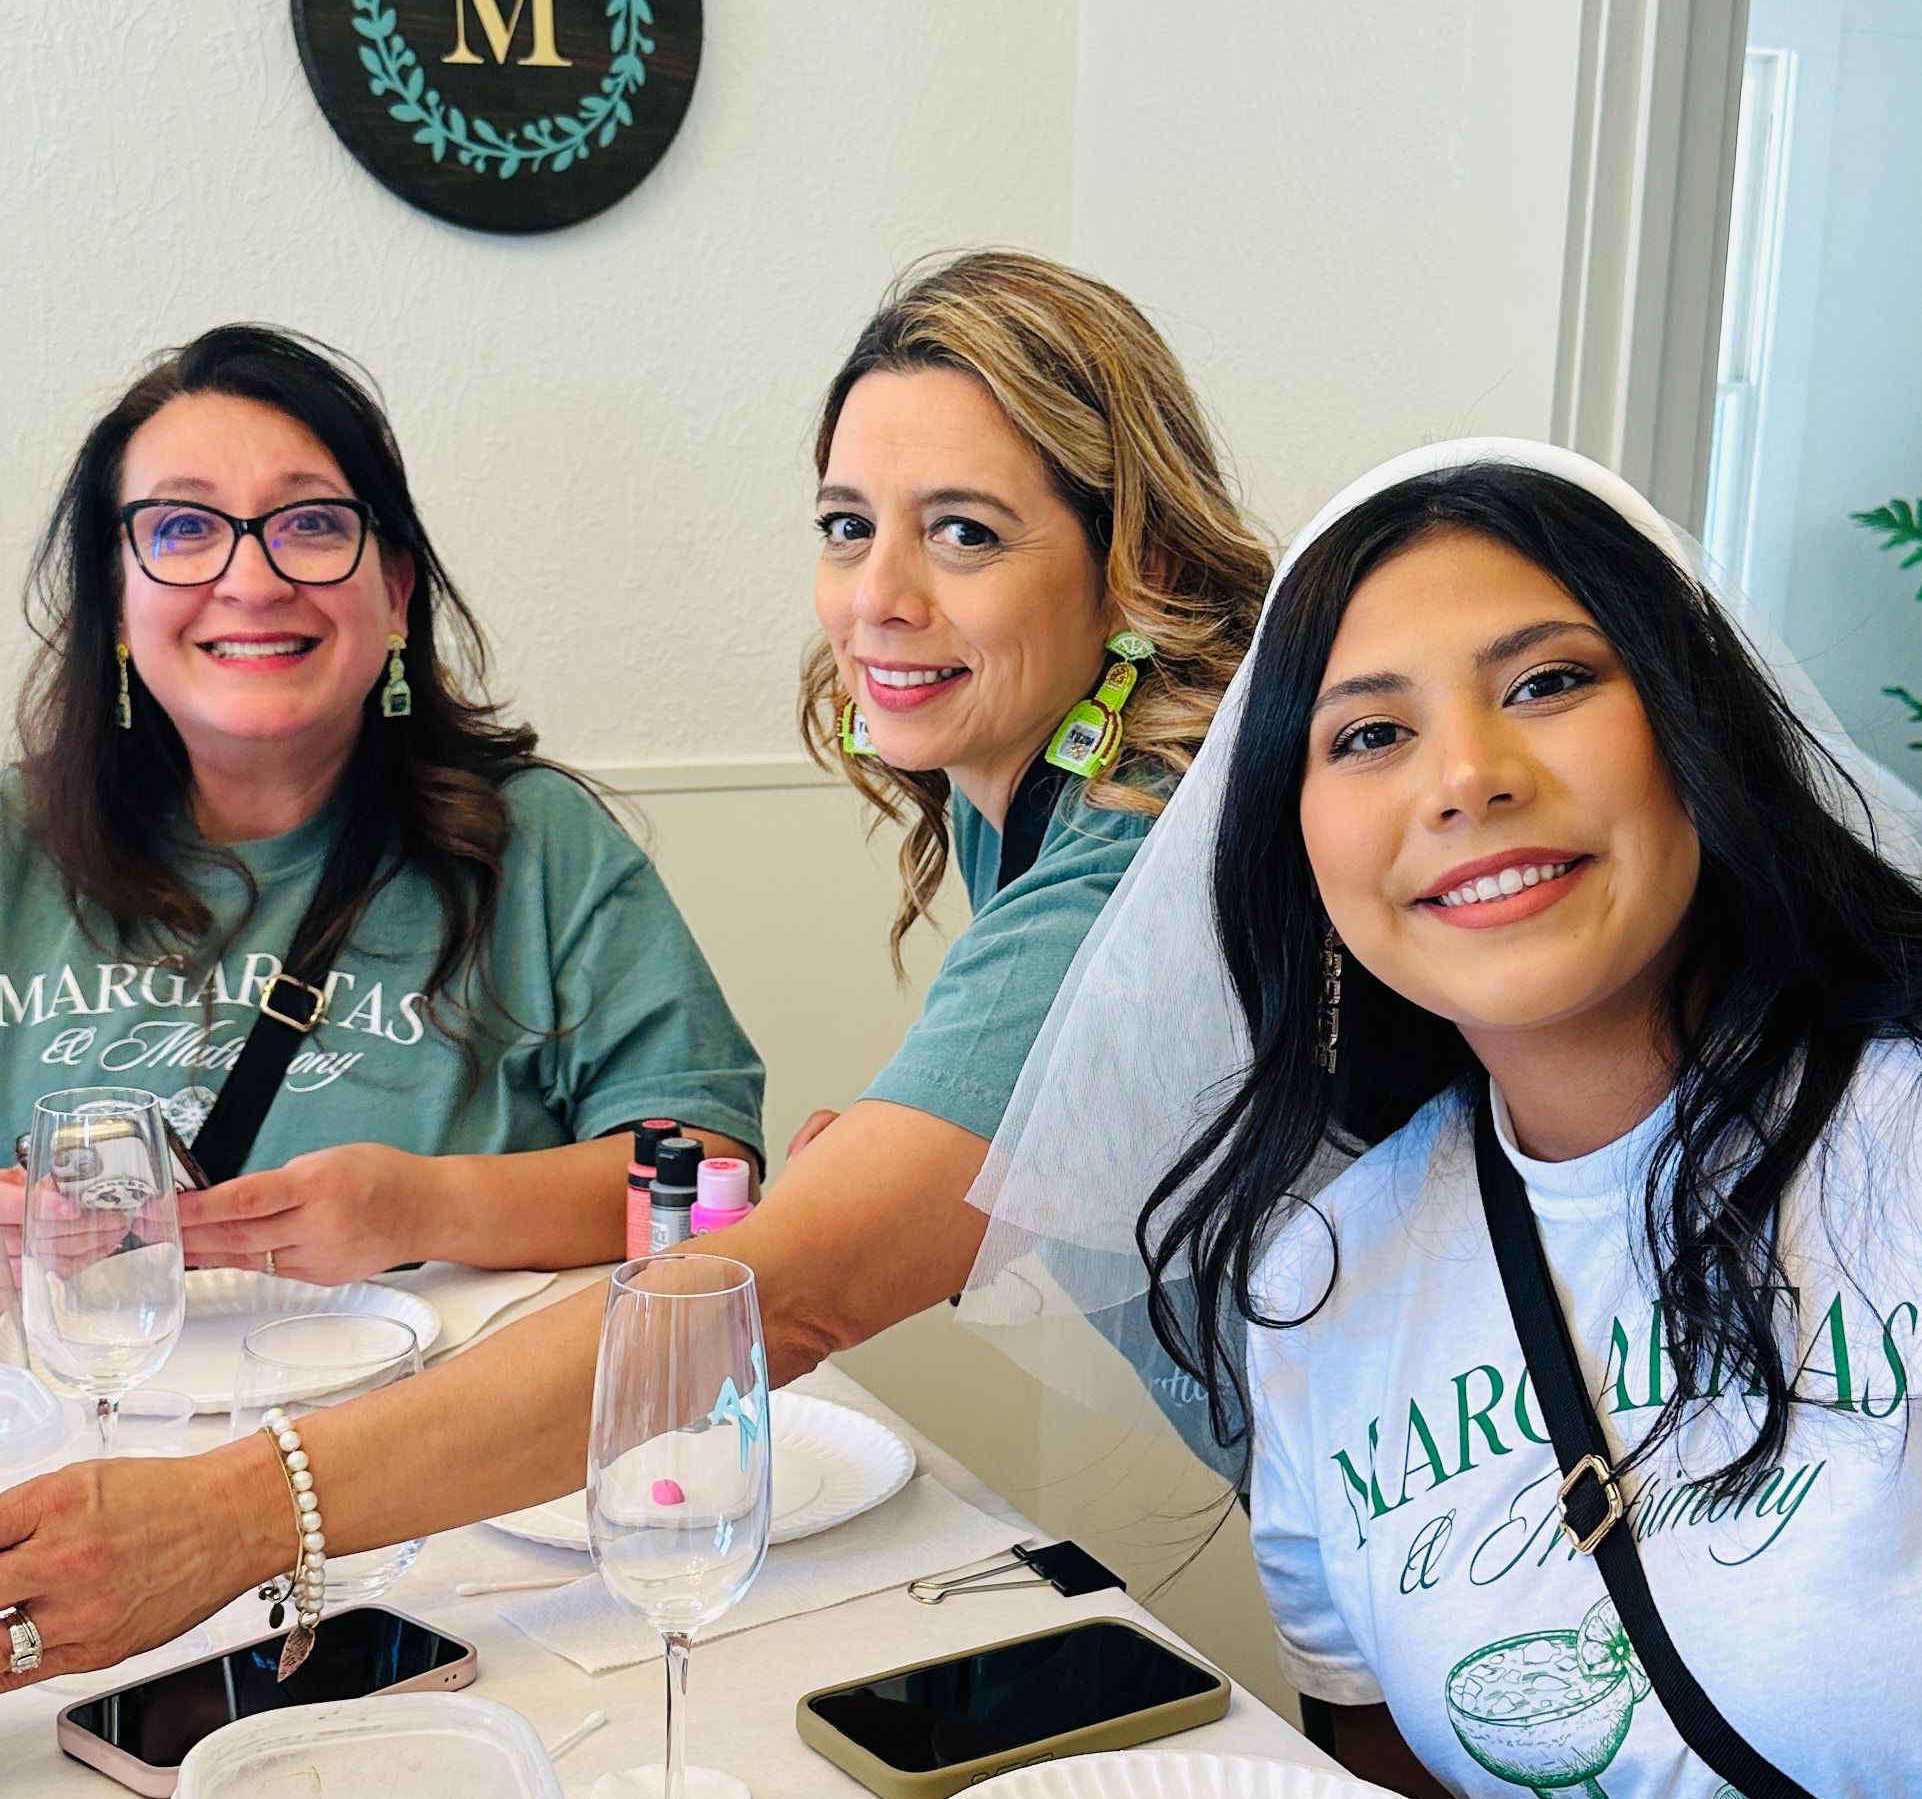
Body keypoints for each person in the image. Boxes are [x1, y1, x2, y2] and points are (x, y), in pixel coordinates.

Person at [0, 256, 1270, 1670]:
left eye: (965, 533)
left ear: (1136, 560)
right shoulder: (1025, 804)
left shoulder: (1130, 848)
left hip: (1449, 1500)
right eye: (847, 527)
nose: (877, 598)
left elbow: (775, 1283)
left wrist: (234, 1518)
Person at [981, 435, 1922, 1799]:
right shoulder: (1321, 1276)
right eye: (1368, 734)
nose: (1465, 779)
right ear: (1299, 835)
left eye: (1549, 684)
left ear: (1692, 730)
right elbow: (1392, 1766)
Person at [0, 324, 761, 1280]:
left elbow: (711, 1158)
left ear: (395, 593)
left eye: (311, 523)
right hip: (83, 1419)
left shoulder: (537, 845)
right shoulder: (11, 844)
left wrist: (426, 1210)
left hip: (444, 1418)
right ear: (116, 602)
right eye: (182, 529)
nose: (251, 580)